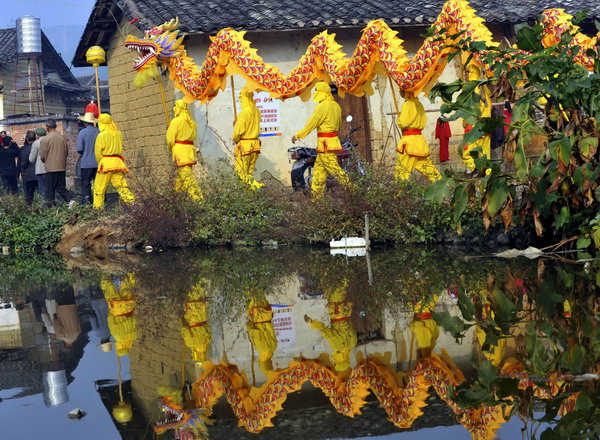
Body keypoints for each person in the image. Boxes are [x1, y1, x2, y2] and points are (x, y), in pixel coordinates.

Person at [292, 81, 351, 199]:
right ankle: (316, 198)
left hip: (325, 144)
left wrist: (298, 135)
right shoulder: (336, 106)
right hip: (331, 142)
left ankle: (354, 191)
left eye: (317, 91)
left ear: (321, 92)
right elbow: (338, 123)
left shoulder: (323, 105)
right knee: (319, 171)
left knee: (335, 170)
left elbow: (312, 123)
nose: (315, 94)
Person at [304, 278, 357, 371]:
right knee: (330, 282)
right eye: (336, 362)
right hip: (335, 311)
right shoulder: (337, 346)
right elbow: (325, 331)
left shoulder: (353, 343)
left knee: (341, 285)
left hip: (345, 310)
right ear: (340, 360)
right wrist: (311, 322)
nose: (333, 360)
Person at [395, 92, 442, 182]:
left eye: (401, 89)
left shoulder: (407, 104)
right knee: (427, 167)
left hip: (409, 142)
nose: (400, 92)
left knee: (402, 170)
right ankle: (442, 186)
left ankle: (399, 193)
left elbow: (404, 123)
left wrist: (399, 120)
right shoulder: (419, 104)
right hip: (419, 140)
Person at [93, 114, 135, 209]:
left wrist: (100, 162)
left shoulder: (101, 135)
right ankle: (132, 203)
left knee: (99, 187)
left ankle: (98, 208)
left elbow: (98, 152)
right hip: (117, 162)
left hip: (106, 163)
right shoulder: (118, 133)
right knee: (121, 184)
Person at [166, 100, 202, 201]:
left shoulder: (176, 121)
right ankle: (178, 201)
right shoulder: (191, 122)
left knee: (187, 178)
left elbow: (170, 140)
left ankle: (199, 200)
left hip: (180, 151)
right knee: (180, 179)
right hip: (189, 151)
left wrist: (171, 147)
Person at [233, 89, 263, 189]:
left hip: (245, 146)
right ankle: (250, 195)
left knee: (241, 174)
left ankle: (258, 188)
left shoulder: (244, 113)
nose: (240, 101)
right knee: (249, 174)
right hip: (255, 145)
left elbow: (238, 132)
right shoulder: (257, 111)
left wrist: (235, 138)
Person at [39, 118, 72, 205]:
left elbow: (42, 155)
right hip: (61, 167)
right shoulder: (62, 138)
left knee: (49, 189)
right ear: (56, 126)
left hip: (50, 168)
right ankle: (71, 201)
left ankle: (50, 208)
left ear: (47, 127)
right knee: (61, 188)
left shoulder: (45, 139)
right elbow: (66, 153)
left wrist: (45, 160)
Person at [76, 112, 99, 204]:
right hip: (98, 162)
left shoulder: (82, 132)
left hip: (86, 163)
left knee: (86, 184)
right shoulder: (99, 131)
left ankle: (87, 202)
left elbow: (79, 148)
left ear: (85, 123)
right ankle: (100, 202)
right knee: (98, 184)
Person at [19, 131, 39, 204]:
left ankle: (29, 210)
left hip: (29, 174)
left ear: (27, 139)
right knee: (42, 194)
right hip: (39, 173)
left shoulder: (24, 149)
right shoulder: (39, 146)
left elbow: (23, 163)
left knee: (28, 195)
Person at [29, 127, 47, 200]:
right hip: (51, 169)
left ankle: (45, 207)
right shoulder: (49, 140)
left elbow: (31, 159)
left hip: (41, 169)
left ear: (37, 135)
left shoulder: (36, 143)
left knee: (42, 190)